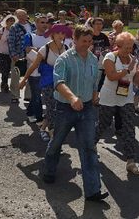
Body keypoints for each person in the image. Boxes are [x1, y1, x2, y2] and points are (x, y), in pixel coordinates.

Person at [43, 25, 108, 202]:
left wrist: (95, 94)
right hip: (65, 108)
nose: (87, 44)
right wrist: (72, 98)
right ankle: (48, 170)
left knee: (88, 147)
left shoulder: (94, 59)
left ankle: (93, 190)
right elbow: (59, 82)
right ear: (75, 39)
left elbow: (95, 80)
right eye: (83, 41)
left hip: (87, 108)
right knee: (57, 142)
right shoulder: (64, 59)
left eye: (89, 41)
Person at [96, 32, 139, 175]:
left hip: (126, 97)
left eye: (131, 47)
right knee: (103, 124)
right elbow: (111, 76)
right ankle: (90, 146)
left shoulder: (133, 60)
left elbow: (137, 82)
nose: (129, 50)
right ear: (118, 46)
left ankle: (131, 161)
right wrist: (128, 69)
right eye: (126, 48)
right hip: (108, 97)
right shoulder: (110, 57)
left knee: (130, 128)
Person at [20, 23, 70, 142]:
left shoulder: (67, 49)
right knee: (51, 107)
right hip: (48, 83)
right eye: (58, 32)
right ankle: (53, 136)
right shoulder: (45, 49)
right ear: (52, 34)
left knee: (56, 109)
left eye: (63, 33)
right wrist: (24, 79)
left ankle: (43, 129)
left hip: (61, 83)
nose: (61, 35)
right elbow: (34, 66)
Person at [19, 14, 49, 123]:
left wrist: (37, 50)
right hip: (33, 72)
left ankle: (30, 112)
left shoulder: (50, 37)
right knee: (37, 95)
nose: (44, 25)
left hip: (47, 72)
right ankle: (39, 118)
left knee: (37, 95)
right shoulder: (29, 36)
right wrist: (42, 53)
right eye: (42, 22)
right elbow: (27, 50)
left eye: (46, 22)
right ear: (36, 23)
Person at [8, 9, 35, 103]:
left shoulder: (32, 26)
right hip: (18, 54)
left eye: (22, 15)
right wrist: (13, 54)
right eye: (18, 16)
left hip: (31, 54)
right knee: (15, 76)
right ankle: (15, 95)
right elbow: (10, 42)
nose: (20, 17)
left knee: (31, 74)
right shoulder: (14, 27)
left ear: (26, 15)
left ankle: (28, 95)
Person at [0, 15, 16, 93]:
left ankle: (4, 82)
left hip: (10, 54)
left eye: (13, 21)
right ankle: (5, 84)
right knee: (4, 69)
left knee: (7, 70)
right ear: (6, 22)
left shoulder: (15, 31)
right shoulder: (2, 30)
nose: (11, 22)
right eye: (10, 21)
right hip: (1, 52)